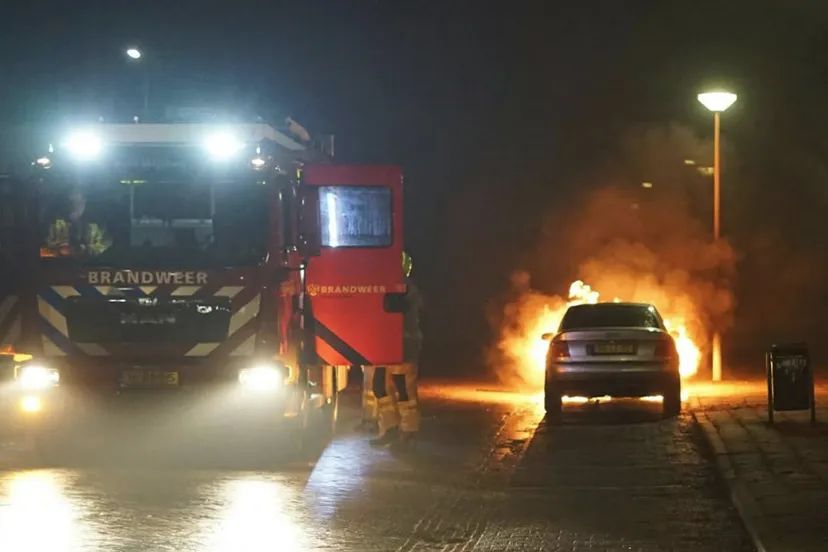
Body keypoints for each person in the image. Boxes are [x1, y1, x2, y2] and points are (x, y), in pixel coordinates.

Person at [370, 251, 423, 450]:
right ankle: (390, 428)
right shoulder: (385, 285)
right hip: (384, 344)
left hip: (404, 345)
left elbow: (395, 306)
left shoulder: (407, 288)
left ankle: (408, 431)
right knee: (380, 386)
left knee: (403, 389)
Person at [44, 187, 111, 257]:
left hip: (90, 266)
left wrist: (89, 251)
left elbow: (107, 243)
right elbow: (40, 250)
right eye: (70, 202)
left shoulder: (97, 224)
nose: (73, 206)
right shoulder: (53, 224)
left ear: (84, 202)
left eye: (78, 202)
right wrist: (60, 251)